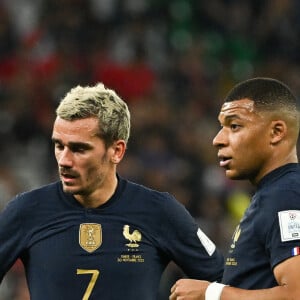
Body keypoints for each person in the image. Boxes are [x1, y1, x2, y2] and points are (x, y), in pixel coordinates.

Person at [0, 82, 224, 299]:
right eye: (59, 145)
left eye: (79, 149)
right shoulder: (26, 210)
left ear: (116, 151)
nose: (64, 160)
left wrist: (207, 293)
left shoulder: (160, 211)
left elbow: (226, 282)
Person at [169, 77, 300, 300]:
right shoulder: (273, 193)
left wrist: (211, 293)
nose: (217, 139)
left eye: (235, 126)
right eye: (222, 127)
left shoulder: (285, 196)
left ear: (277, 132)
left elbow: (295, 293)